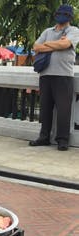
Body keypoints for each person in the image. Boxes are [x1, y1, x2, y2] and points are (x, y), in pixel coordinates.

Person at [29, 4, 79, 151]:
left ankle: (62, 140)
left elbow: (66, 44)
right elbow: (36, 47)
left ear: (70, 17)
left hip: (63, 75)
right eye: (59, 13)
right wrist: (57, 44)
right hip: (45, 74)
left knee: (64, 109)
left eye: (64, 14)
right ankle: (44, 137)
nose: (60, 16)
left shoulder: (74, 30)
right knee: (45, 108)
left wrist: (48, 45)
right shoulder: (47, 31)